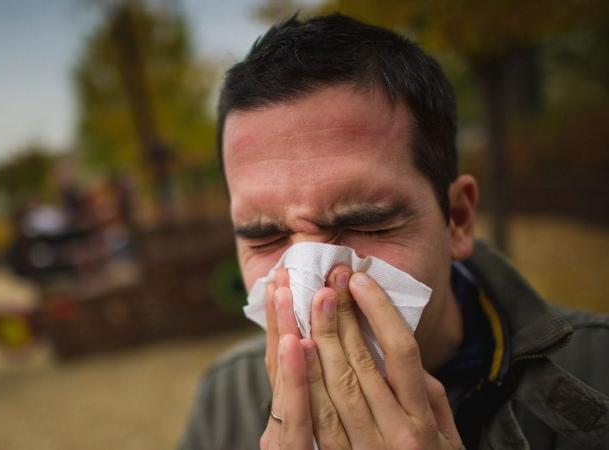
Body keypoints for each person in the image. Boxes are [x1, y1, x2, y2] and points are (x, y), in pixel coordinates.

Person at [179, 13, 609, 450]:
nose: (316, 290)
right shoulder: (224, 400)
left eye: (365, 221)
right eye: (263, 236)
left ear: (457, 219)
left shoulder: (598, 372)